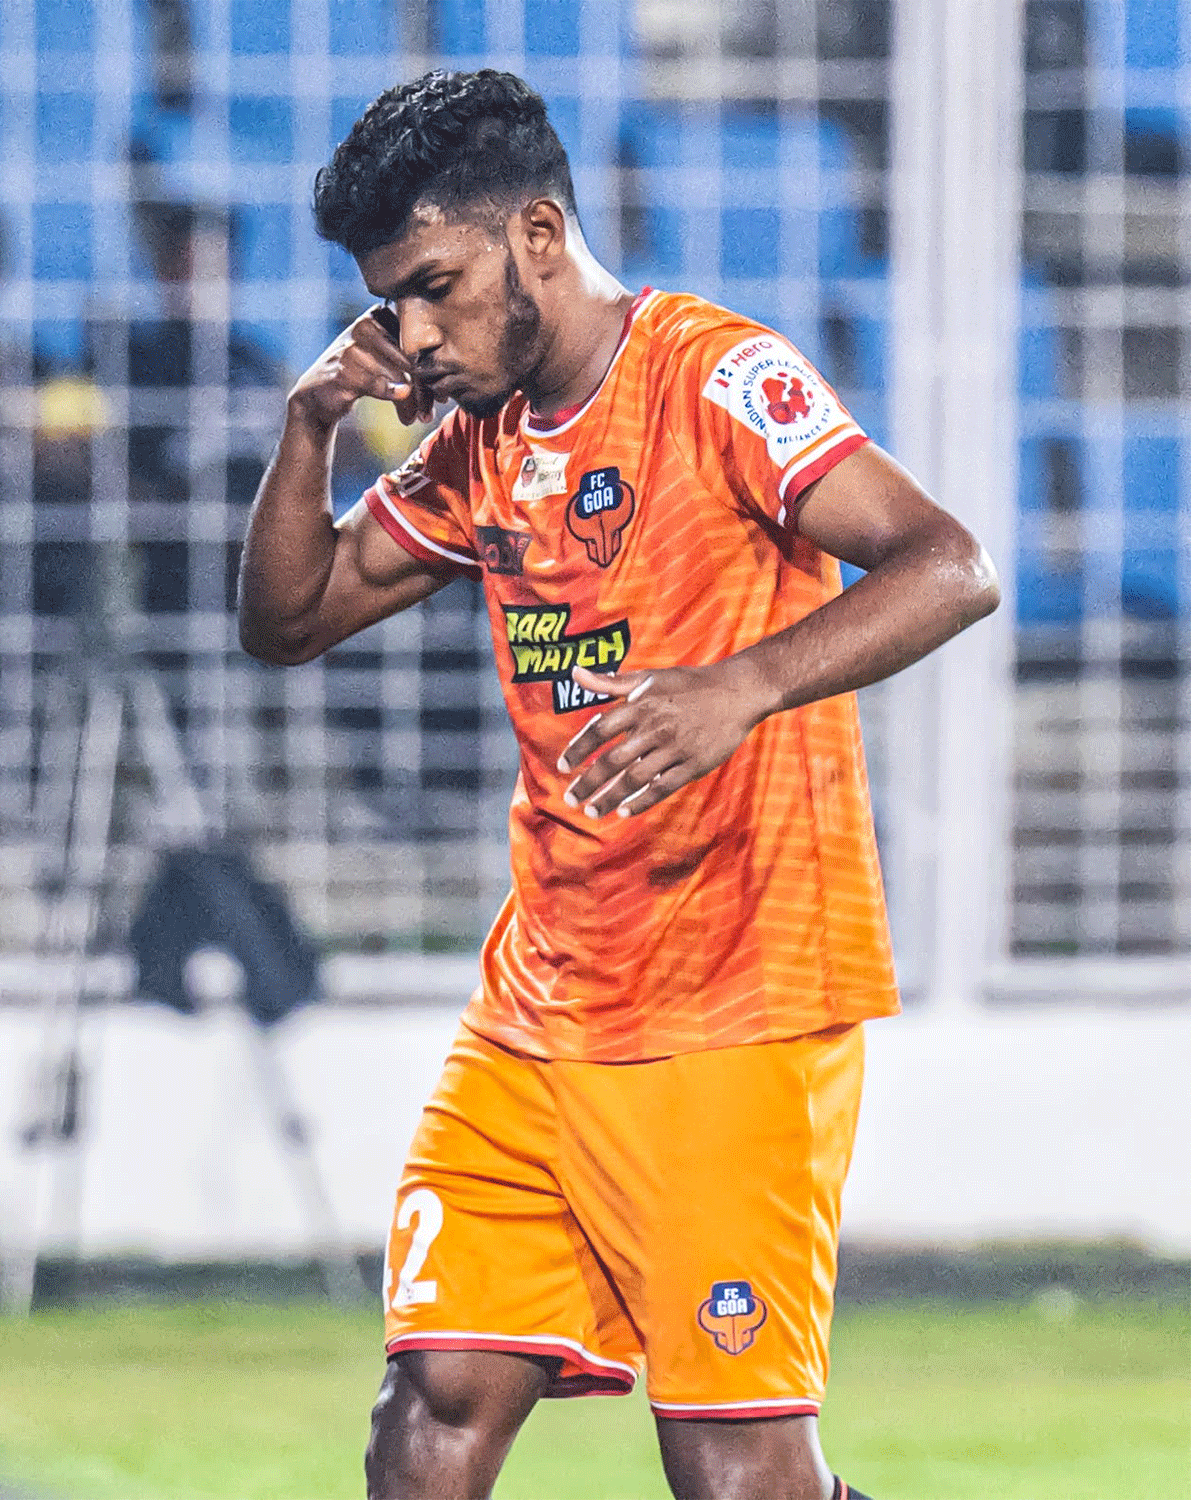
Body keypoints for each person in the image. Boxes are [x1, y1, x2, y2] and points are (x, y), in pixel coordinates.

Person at [238, 69, 1000, 1500]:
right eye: (387, 302)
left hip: (736, 1001)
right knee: (432, 1410)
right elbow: (289, 622)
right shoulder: (480, 444)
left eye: (433, 287)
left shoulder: (714, 379)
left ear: (536, 235)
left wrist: (746, 682)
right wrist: (308, 428)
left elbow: (951, 564)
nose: (411, 334)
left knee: (734, 1472)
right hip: (540, 1010)